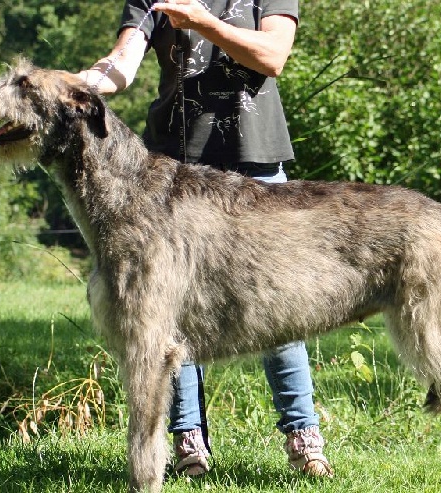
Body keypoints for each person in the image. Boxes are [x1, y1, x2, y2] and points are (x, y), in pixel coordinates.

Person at [77, 0, 332, 478]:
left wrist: (204, 23)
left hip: (254, 164)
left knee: (276, 305)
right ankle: (188, 442)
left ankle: (303, 437)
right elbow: (122, 64)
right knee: (167, 310)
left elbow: (272, 57)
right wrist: (79, 84)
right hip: (173, 170)